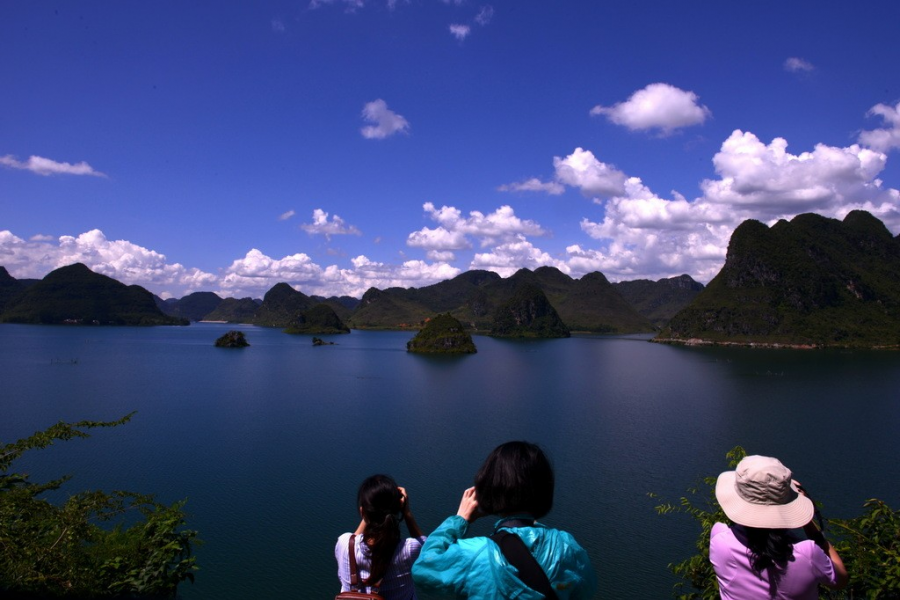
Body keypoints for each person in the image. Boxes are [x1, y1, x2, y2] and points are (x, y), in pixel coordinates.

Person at [412, 441, 597, 599]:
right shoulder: (568, 547)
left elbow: (423, 570)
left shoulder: (477, 554)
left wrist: (460, 520)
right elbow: (586, 592)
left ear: (490, 487)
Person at [710, 455, 848, 599]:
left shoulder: (720, 540)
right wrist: (807, 523)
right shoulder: (809, 554)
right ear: (788, 503)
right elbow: (841, 580)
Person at [335, 474, 426, 600]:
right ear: (396, 510)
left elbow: (353, 540)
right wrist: (407, 512)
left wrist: (369, 514)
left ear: (363, 512)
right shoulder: (408, 550)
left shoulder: (343, 543)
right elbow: (429, 550)